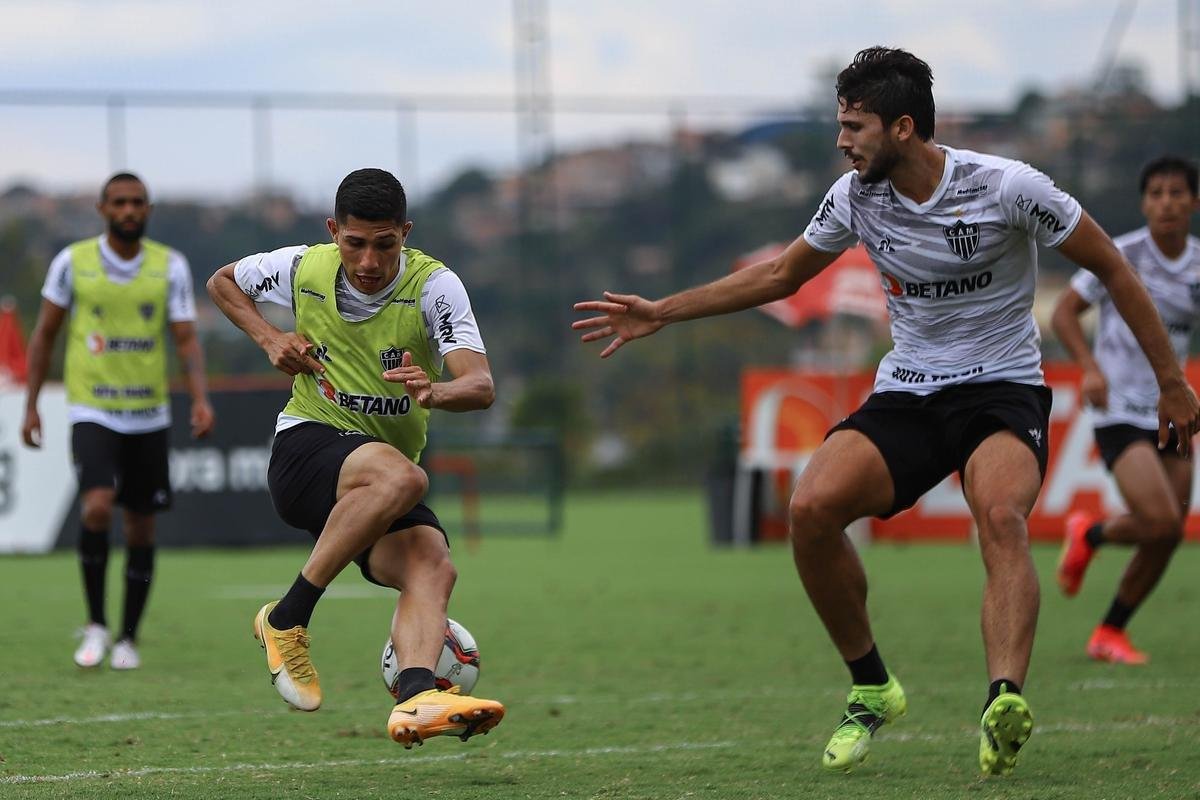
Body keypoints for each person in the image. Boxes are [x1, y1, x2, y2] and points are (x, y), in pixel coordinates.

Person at [573, 47, 1200, 777]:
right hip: (909, 390)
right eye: (841, 125)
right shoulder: (853, 197)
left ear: (903, 127)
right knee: (809, 509)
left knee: (1001, 518)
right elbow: (781, 274)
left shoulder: (1008, 187)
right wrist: (662, 312)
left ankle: (1003, 699)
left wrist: (1171, 382)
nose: (843, 141)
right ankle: (871, 685)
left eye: (854, 125)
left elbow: (1112, 268)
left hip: (1002, 388)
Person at [206, 167, 504, 747]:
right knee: (404, 477)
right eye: (355, 243)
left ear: (405, 234)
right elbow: (222, 282)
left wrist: (434, 391)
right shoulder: (302, 267)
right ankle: (287, 617)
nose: (368, 261)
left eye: (384, 244)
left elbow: (482, 385)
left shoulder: (435, 288)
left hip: (372, 487)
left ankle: (417, 693)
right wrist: (270, 338)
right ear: (333, 232)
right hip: (306, 449)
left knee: (432, 562)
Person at [21, 172, 215, 670]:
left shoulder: (169, 266)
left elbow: (186, 339)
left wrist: (199, 398)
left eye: (138, 203)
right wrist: (32, 403)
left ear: (147, 210)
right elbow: (45, 334)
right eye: (120, 203)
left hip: (148, 413)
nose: (129, 210)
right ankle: (95, 626)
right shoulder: (72, 263)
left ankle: (128, 638)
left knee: (141, 527)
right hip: (93, 408)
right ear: (104, 209)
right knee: (97, 508)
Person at [1051, 156, 1200, 664]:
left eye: (1177, 193)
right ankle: (1089, 535)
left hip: (1172, 408)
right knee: (1159, 521)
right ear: (1144, 202)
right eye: (1156, 193)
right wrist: (1089, 368)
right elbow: (1064, 312)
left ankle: (1108, 629)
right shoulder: (1121, 254)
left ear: (1194, 202)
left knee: (1170, 531)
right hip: (1117, 406)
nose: (1167, 202)